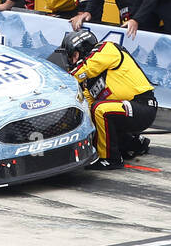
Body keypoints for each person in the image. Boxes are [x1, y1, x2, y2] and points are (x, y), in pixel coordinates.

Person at [60, 29, 157, 170]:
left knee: (101, 110)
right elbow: (87, 106)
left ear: (81, 49)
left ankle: (111, 159)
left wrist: (63, 80)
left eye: (73, 56)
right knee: (92, 114)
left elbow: (86, 69)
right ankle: (134, 144)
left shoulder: (107, 48)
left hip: (142, 105)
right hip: (127, 109)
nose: (72, 62)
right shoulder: (91, 80)